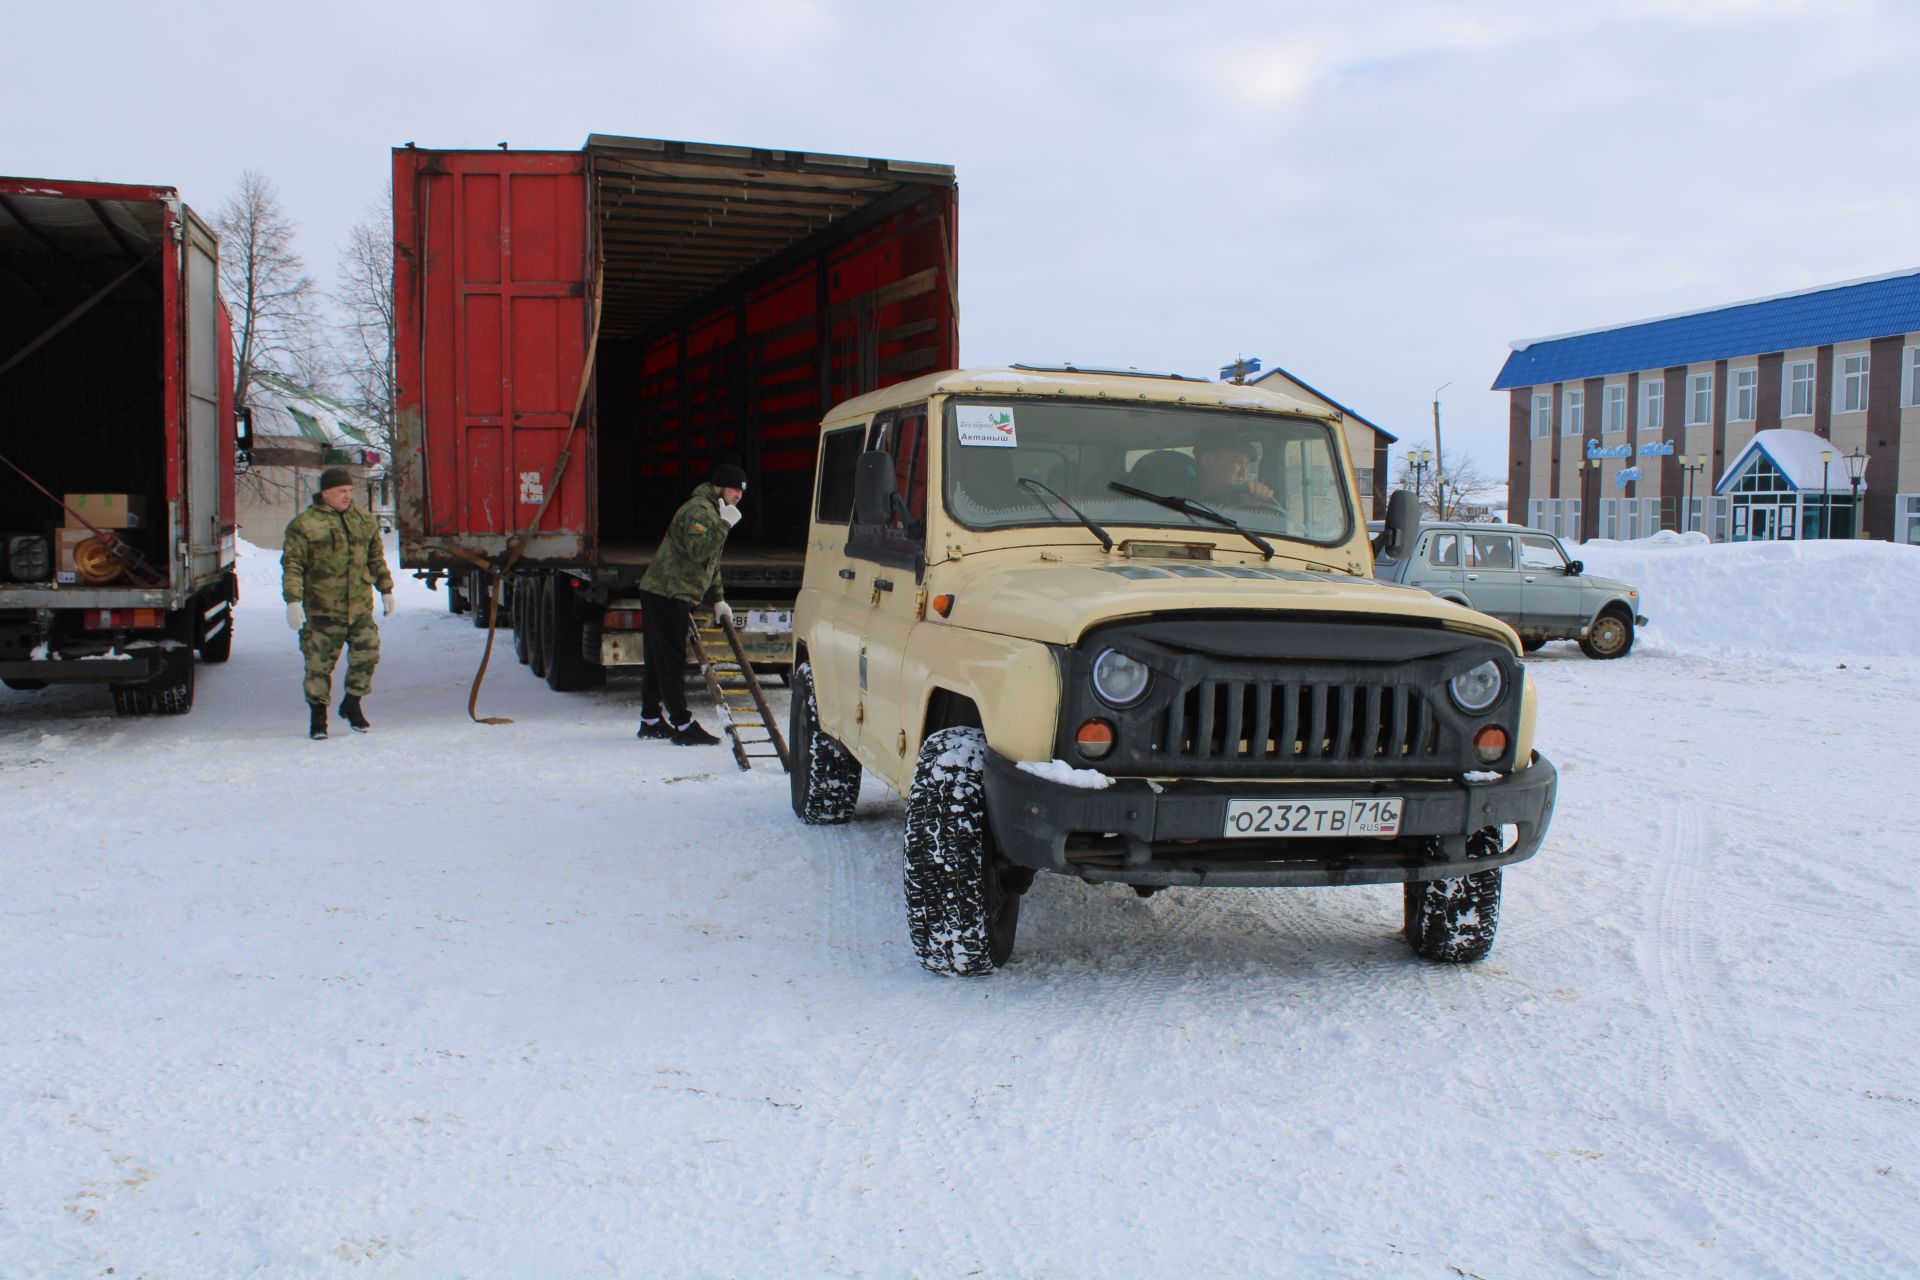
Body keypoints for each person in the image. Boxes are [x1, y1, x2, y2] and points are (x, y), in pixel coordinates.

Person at [635, 463, 744, 746]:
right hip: (667, 593)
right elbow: (698, 551)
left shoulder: (714, 511)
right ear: (719, 486)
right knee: (670, 659)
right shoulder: (700, 510)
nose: (738, 495)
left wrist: (718, 598)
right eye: (734, 489)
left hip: (668, 592)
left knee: (658, 659)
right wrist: (724, 526)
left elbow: (711, 563)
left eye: (742, 491)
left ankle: (650, 719)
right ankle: (682, 725)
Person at [282, 466, 394, 740]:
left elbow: (375, 559)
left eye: (349, 491)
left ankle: (352, 704)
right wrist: (293, 601)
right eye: (341, 491)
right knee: (318, 666)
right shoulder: (305, 525)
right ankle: (318, 717)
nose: (347, 496)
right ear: (326, 493)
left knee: (368, 654)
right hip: (322, 609)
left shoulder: (363, 521)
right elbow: (293, 565)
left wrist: (386, 589)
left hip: (358, 608)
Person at [1195, 436, 1277, 505]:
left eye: (1246, 465)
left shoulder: (1244, 500)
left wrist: (1251, 508)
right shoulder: (1185, 505)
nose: (1243, 473)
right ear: (1208, 462)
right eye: (1237, 461)